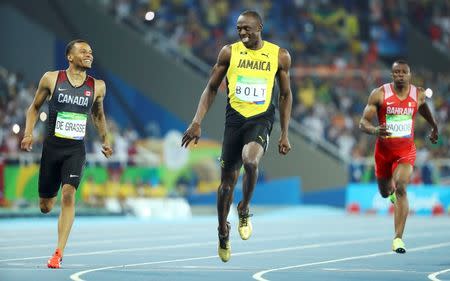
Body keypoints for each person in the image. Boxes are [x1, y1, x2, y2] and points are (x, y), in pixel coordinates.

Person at [181, 10, 292, 262]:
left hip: (261, 118)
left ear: (260, 27)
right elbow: (210, 88)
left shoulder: (279, 56)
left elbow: (285, 95)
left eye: (247, 28)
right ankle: (222, 231)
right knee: (225, 187)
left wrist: (284, 133)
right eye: (239, 28)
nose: (242, 33)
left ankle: (244, 208)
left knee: (251, 161)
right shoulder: (228, 53)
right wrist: (196, 121)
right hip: (234, 120)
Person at [20, 39, 113, 268]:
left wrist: (105, 140)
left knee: (69, 194)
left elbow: (98, 115)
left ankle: (58, 253)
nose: (89, 55)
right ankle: (51, 221)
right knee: (46, 206)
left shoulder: (97, 86)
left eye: (91, 52)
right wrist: (28, 133)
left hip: (75, 150)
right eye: (83, 51)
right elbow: (33, 108)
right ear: (70, 57)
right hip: (52, 149)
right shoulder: (52, 79)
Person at [359, 60, 438, 254]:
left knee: (401, 186)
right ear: (392, 75)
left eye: (404, 72)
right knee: (386, 192)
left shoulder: (417, 94)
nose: (400, 75)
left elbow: (423, 107)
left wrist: (434, 126)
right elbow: (363, 122)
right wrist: (375, 130)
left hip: (406, 152)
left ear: (409, 74)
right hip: (383, 152)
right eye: (397, 72)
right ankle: (391, 194)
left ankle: (397, 239)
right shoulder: (379, 94)